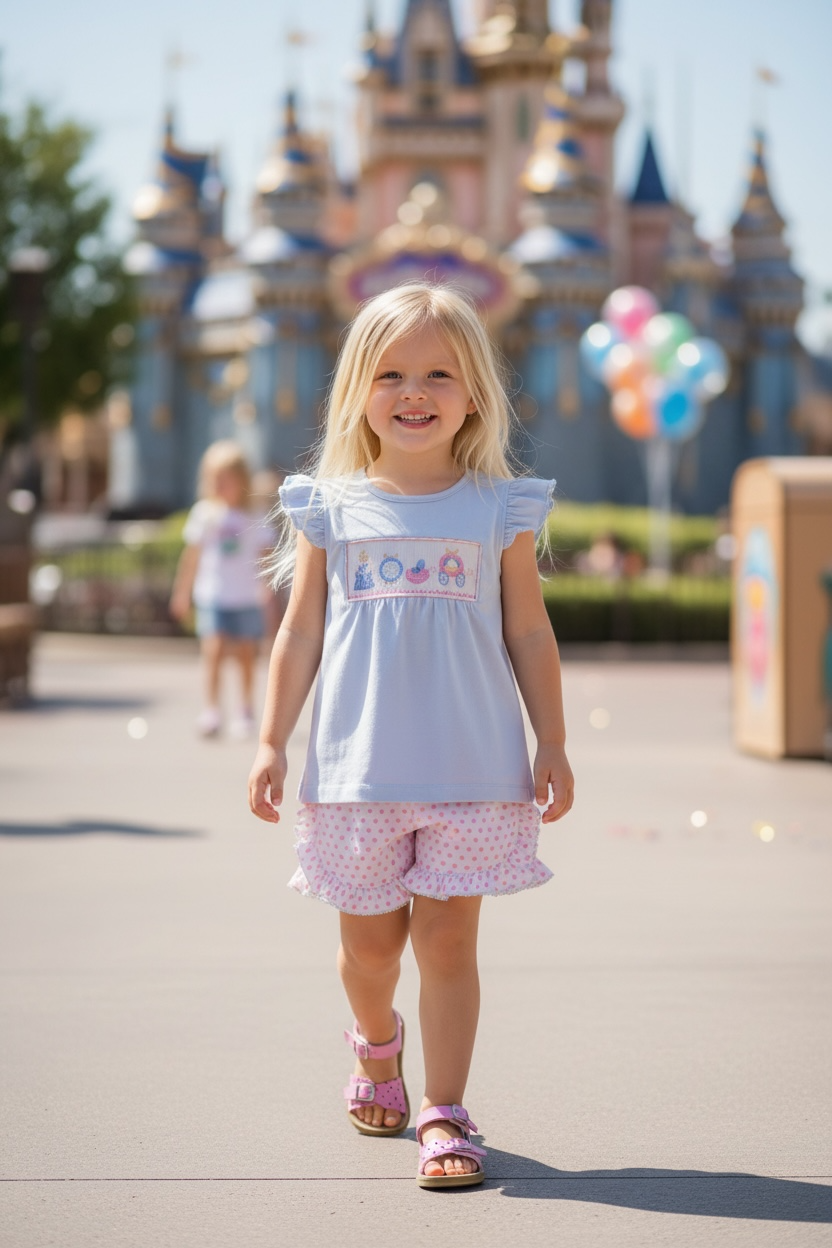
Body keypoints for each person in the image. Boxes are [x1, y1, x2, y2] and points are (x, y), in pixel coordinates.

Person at [248, 283, 574, 1190]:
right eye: (390, 373)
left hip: (474, 769)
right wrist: (272, 739)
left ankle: (445, 1110)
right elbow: (301, 631)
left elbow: (528, 632)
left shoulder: (499, 508)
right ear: (358, 389)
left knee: (447, 945)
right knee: (371, 950)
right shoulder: (332, 507)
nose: (414, 390)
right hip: (358, 774)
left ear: (475, 392)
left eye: (438, 371)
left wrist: (552, 739)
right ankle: (376, 1046)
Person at [170, 440, 274, 739]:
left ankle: (245, 709)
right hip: (213, 594)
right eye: (213, 478)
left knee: (244, 654)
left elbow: (265, 556)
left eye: (224, 478)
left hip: (245, 595)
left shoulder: (255, 514)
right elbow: (192, 557)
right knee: (213, 651)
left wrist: (267, 588)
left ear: (242, 479)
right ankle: (212, 709)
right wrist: (182, 592)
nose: (218, 484)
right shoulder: (205, 513)